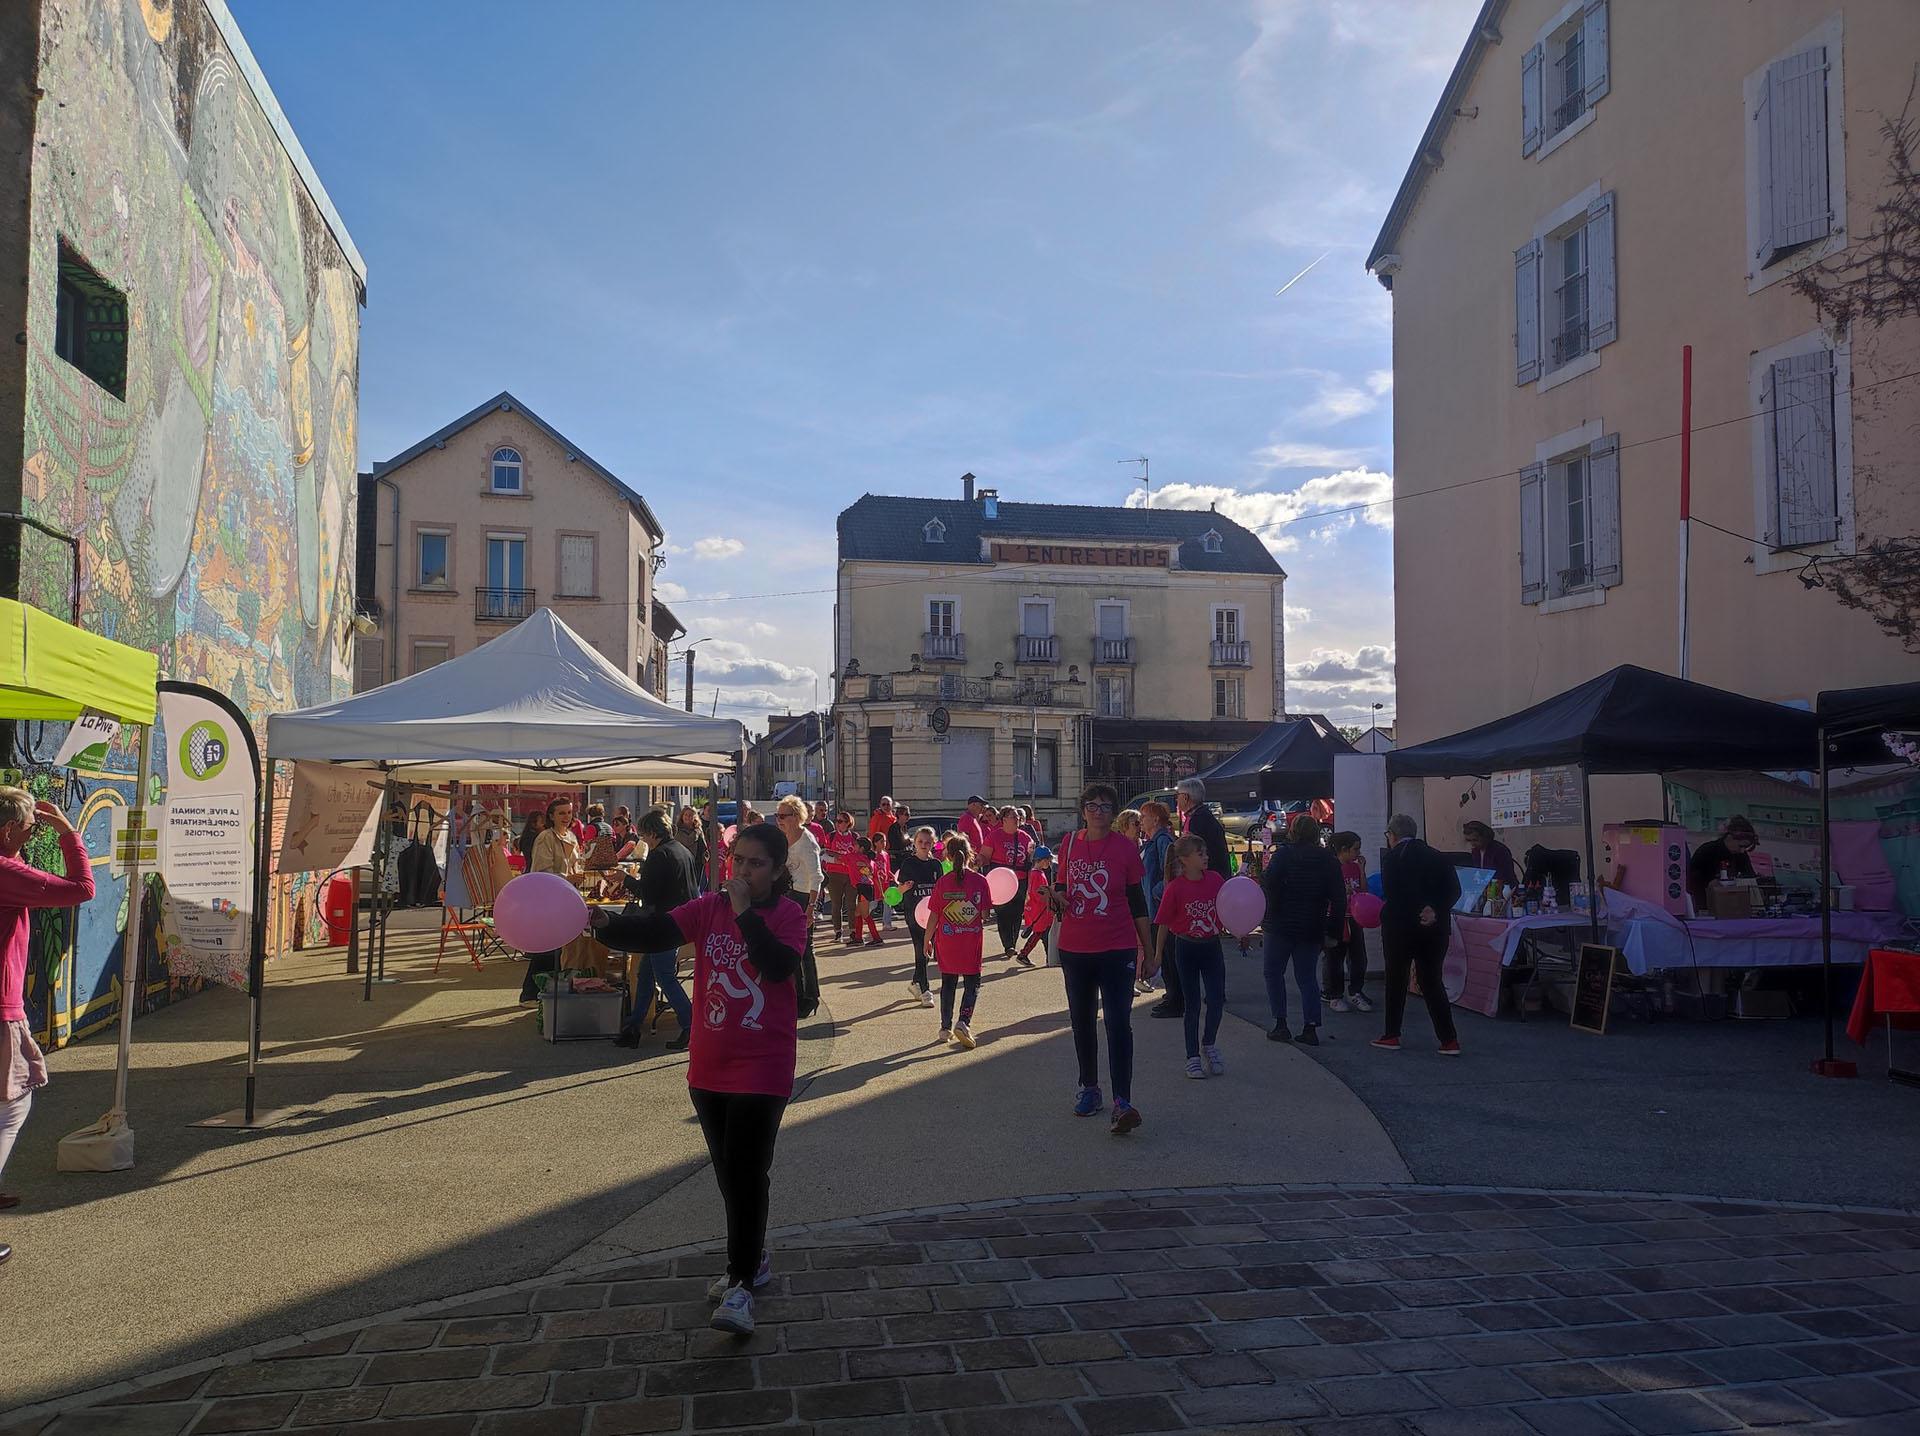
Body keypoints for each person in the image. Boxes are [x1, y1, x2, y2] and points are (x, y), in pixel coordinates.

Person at [592, 822, 806, 1337]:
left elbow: (777, 968)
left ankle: (740, 1285)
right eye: (739, 862)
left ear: (777, 870)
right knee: (729, 1174)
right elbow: (659, 930)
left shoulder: (789, 915)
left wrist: (743, 914)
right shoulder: (708, 908)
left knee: (748, 1173)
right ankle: (752, 1260)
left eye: (757, 864)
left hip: (763, 1065)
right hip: (709, 1065)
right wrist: (601, 923)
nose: (744, 872)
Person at [0, 790, 94, 1258]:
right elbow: (81, 889)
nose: (35, 831)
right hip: (0, 1010)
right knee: (13, 1106)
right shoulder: (5, 871)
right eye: (31, 826)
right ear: (7, 831)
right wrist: (68, 833)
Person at [1052, 782, 1151, 1135]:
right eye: (1092, 805)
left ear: (1113, 813)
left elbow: (1138, 902)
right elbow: (1061, 887)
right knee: (1081, 1021)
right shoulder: (1067, 845)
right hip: (1076, 948)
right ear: (1083, 811)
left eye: (1105, 806)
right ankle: (1089, 1088)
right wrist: (1058, 895)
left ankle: (1122, 1101)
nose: (1098, 811)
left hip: (1117, 947)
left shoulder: (1125, 848)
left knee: (1118, 1022)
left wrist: (1149, 951)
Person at [1374, 814, 1462, 1055]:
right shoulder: (1437, 856)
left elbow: (1394, 893)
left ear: (1392, 835)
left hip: (1400, 928)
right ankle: (1449, 1039)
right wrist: (1434, 909)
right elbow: (1455, 890)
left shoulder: (1392, 858)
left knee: (1396, 979)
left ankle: (1392, 1034)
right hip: (1435, 928)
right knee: (1432, 980)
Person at [613, 810, 697, 1052]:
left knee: (663, 977)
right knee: (645, 974)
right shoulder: (682, 850)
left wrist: (624, 879)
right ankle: (633, 1027)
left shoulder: (659, 855)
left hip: (663, 924)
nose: (643, 839)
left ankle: (690, 1025)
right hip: (681, 920)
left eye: (644, 834)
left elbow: (647, 894)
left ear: (651, 832)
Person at [1259, 814, 1343, 1045]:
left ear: (1293, 832)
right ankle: (1311, 1026)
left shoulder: (1284, 854)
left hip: (1280, 924)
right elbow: (1338, 898)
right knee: (1307, 977)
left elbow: (1269, 882)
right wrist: (1334, 931)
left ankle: (1281, 1023)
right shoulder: (1328, 859)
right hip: (1312, 925)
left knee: (1273, 973)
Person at [1153, 834, 1228, 1080]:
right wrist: (1156, 955)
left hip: (1211, 947)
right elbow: (1163, 923)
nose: (1206, 857)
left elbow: (1229, 907)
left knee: (1216, 1000)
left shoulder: (1216, 880)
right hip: (1185, 947)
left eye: (1206, 853)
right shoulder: (1175, 887)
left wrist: (1239, 929)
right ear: (1184, 860)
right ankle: (1192, 1056)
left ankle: (1209, 1043)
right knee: (1192, 1004)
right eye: (1200, 854)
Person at [1157, 778, 1231, 1021]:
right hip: (1203, 888)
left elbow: (1191, 858)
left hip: (1199, 891)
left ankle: (1180, 998)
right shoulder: (1201, 817)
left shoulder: (1198, 821)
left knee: (1181, 947)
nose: (1176, 799)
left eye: (1178, 795)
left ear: (1186, 798)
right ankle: (1195, 994)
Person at [927, 834, 993, 1049]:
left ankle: (945, 1028)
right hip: (970, 941)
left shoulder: (942, 882)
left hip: (947, 941)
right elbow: (984, 915)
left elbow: (934, 915)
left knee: (948, 983)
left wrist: (927, 940)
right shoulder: (980, 881)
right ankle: (963, 1021)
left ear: (947, 855)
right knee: (972, 983)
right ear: (970, 854)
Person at [520, 796, 585, 1002]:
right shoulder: (546, 837)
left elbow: (576, 865)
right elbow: (541, 872)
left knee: (559, 949)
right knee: (547, 948)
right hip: (547, 899)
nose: (566, 816)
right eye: (561, 813)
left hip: (566, 899)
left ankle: (547, 992)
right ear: (551, 816)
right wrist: (568, 878)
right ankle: (529, 993)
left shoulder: (572, 837)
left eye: (569, 812)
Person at [772, 797, 824, 1019]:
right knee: (789, 949)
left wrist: (811, 908)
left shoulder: (807, 841)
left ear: (795, 817)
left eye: (783, 816)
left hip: (804, 896)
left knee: (805, 950)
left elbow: (817, 877)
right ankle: (796, 995)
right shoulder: (784, 838)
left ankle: (811, 997)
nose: (779, 820)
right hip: (788, 895)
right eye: (778, 816)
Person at [1323, 831, 1374, 1014]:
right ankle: (1335, 995)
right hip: (1336, 919)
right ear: (1343, 850)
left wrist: (1361, 869)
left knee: (1359, 957)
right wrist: (1339, 893)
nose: (1358, 853)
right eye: (1355, 849)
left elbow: (1363, 890)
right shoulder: (1331, 867)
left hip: (1354, 917)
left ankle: (1356, 990)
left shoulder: (1353, 866)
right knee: (1335, 959)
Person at [895, 826, 944, 1005]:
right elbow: (898, 889)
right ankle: (925, 989)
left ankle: (916, 981)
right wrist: (904, 887)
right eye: (920, 842)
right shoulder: (908, 863)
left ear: (933, 844)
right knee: (921, 949)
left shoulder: (936, 865)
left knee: (929, 950)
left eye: (928, 842)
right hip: (914, 913)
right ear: (914, 842)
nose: (924, 845)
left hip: (932, 914)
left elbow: (940, 890)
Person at [986, 805, 1034, 959]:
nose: (1017, 819)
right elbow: (984, 856)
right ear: (1004, 819)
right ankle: (1008, 945)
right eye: (1014, 816)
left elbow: (1032, 858)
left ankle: (1012, 943)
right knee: (1003, 914)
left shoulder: (1025, 837)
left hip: (1020, 881)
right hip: (1001, 883)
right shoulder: (994, 836)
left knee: (1017, 914)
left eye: (1018, 817)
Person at [1138, 802, 1174, 995]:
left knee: (1166, 953)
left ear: (1156, 819)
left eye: (1144, 816)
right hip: (1151, 908)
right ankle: (1171, 994)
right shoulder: (1150, 842)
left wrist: (1155, 892)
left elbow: (1169, 872)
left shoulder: (1162, 841)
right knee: (1162, 952)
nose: (1140, 820)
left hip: (1159, 906)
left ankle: (1174, 995)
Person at [1686, 815, 1759, 903]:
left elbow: (1749, 878)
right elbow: (1692, 883)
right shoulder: (1707, 851)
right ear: (1730, 837)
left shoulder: (1741, 856)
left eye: (1745, 847)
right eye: (1741, 846)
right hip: (1705, 903)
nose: (1742, 851)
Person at [821, 811, 860, 942]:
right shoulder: (831, 836)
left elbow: (859, 855)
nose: (838, 824)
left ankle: (853, 931)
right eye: (837, 821)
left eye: (841, 821)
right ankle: (838, 932)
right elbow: (824, 854)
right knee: (836, 904)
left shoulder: (854, 836)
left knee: (851, 904)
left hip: (851, 874)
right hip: (834, 874)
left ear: (848, 823)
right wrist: (835, 861)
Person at [1015, 847, 1055, 966]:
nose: (1049, 862)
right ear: (1041, 860)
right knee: (1042, 934)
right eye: (1048, 860)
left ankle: (1047, 958)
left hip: (1037, 910)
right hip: (1040, 910)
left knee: (1041, 935)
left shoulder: (1035, 873)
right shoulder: (1038, 875)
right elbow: (1038, 893)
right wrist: (1050, 895)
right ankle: (1025, 955)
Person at [849, 837, 884, 947]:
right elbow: (876, 877)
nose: (854, 846)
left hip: (864, 888)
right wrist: (881, 892)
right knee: (857, 913)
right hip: (868, 888)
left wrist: (827, 852)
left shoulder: (857, 857)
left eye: (856, 845)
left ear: (861, 848)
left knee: (865, 914)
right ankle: (858, 938)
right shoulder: (871, 861)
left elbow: (839, 857)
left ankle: (877, 938)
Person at [1462, 820, 1518, 888]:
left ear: (1485, 836)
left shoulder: (1500, 850)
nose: (1472, 844)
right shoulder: (1475, 851)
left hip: (1504, 888)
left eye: (1475, 840)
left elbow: (1504, 876)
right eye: (1469, 840)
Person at [675, 806, 709, 888]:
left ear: (695, 817)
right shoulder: (677, 830)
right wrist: (696, 833)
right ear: (682, 816)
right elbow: (686, 842)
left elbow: (704, 846)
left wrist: (704, 858)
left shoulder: (698, 830)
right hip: (682, 863)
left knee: (696, 887)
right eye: (686, 815)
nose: (687, 817)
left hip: (697, 863)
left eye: (690, 815)